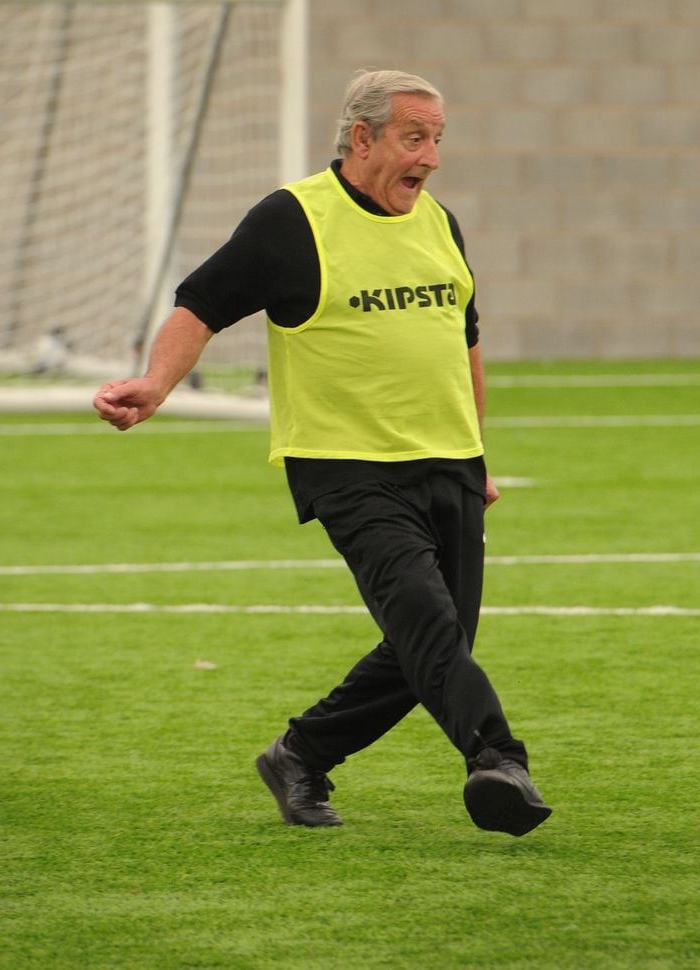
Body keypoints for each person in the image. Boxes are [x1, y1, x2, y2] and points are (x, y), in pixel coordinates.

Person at [93, 69, 551, 837]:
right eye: (416, 137)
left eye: (438, 139)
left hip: (448, 462)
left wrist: (477, 455)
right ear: (362, 137)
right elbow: (200, 302)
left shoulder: (439, 221)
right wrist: (156, 383)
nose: (432, 156)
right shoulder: (292, 220)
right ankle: (497, 758)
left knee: (434, 646)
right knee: (430, 630)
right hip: (348, 469)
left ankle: (300, 754)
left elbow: (462, 340)